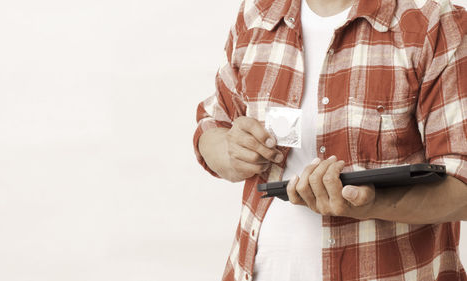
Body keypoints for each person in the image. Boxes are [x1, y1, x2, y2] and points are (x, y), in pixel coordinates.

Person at [193, 0, 467, 280]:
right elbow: (212, 125)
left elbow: (463, 187)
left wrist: (370, 203)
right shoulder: (258, 14)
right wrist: (229, 150)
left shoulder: (431, 21)